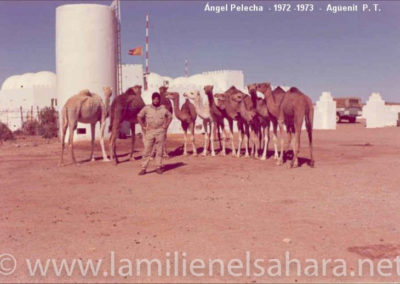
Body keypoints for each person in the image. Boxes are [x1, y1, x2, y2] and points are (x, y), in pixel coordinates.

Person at [137, 92, 172, 175]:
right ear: (152, 99)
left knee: (159, 150)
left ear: (159, 100)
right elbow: (139, 116)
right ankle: (143, 168)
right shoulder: (147, 108)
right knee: (147, 150)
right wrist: (144, 126)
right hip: (150, 131)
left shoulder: (163, 109)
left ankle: (158, 167)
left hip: (160, 131)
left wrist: (166, 125)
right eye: (154, 99)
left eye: (157, 99)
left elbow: (170, 117)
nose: (156, 101)